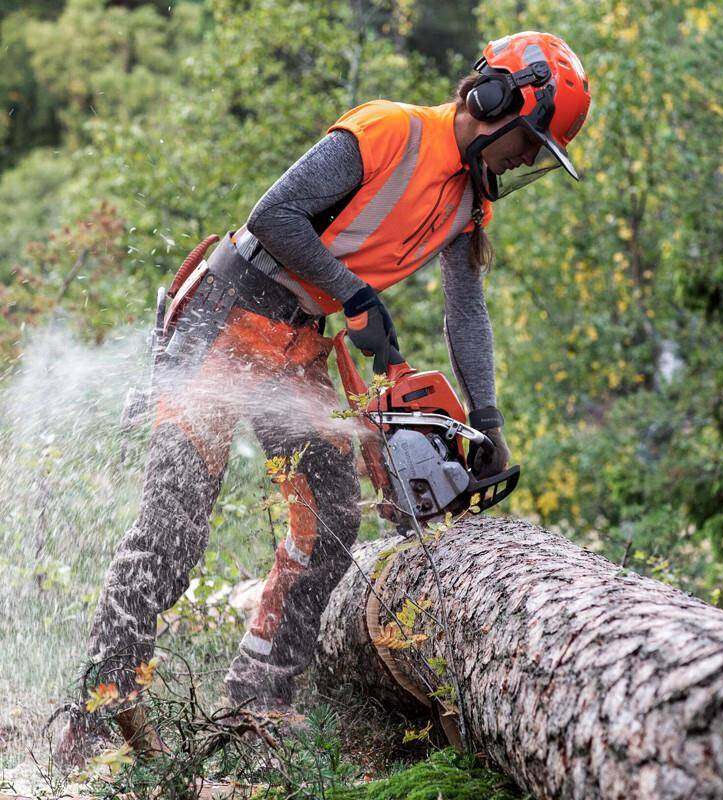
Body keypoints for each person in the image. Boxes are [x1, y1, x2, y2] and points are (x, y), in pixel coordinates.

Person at [55, 30, 590, 767]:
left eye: (537, 154)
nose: (527, 160)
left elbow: (466, 313)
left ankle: (256, 704)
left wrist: (487, 418)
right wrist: (355, 294)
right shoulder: (388, 132)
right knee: (172, 532)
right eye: (529, 143)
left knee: (330, 521)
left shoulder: (469, 203)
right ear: (494, 101)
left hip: (299, 339)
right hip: (225, 316)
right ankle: (94, 716)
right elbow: (273, 213)